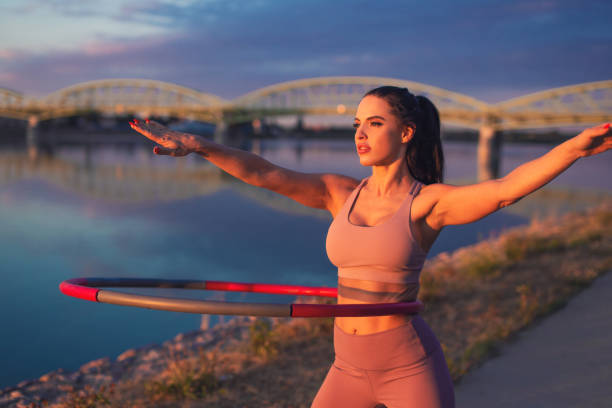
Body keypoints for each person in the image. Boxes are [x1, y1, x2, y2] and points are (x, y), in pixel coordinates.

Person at [129, 86, 611, 408]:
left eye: (374, 123)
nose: (360, 132)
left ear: (405, 133)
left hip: (407, 366)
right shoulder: (339, 192)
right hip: (346, 365)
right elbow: (263, 173)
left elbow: (505, 189)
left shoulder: (429, 203)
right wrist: (200, 146)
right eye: (358, 122)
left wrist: (571, 150)